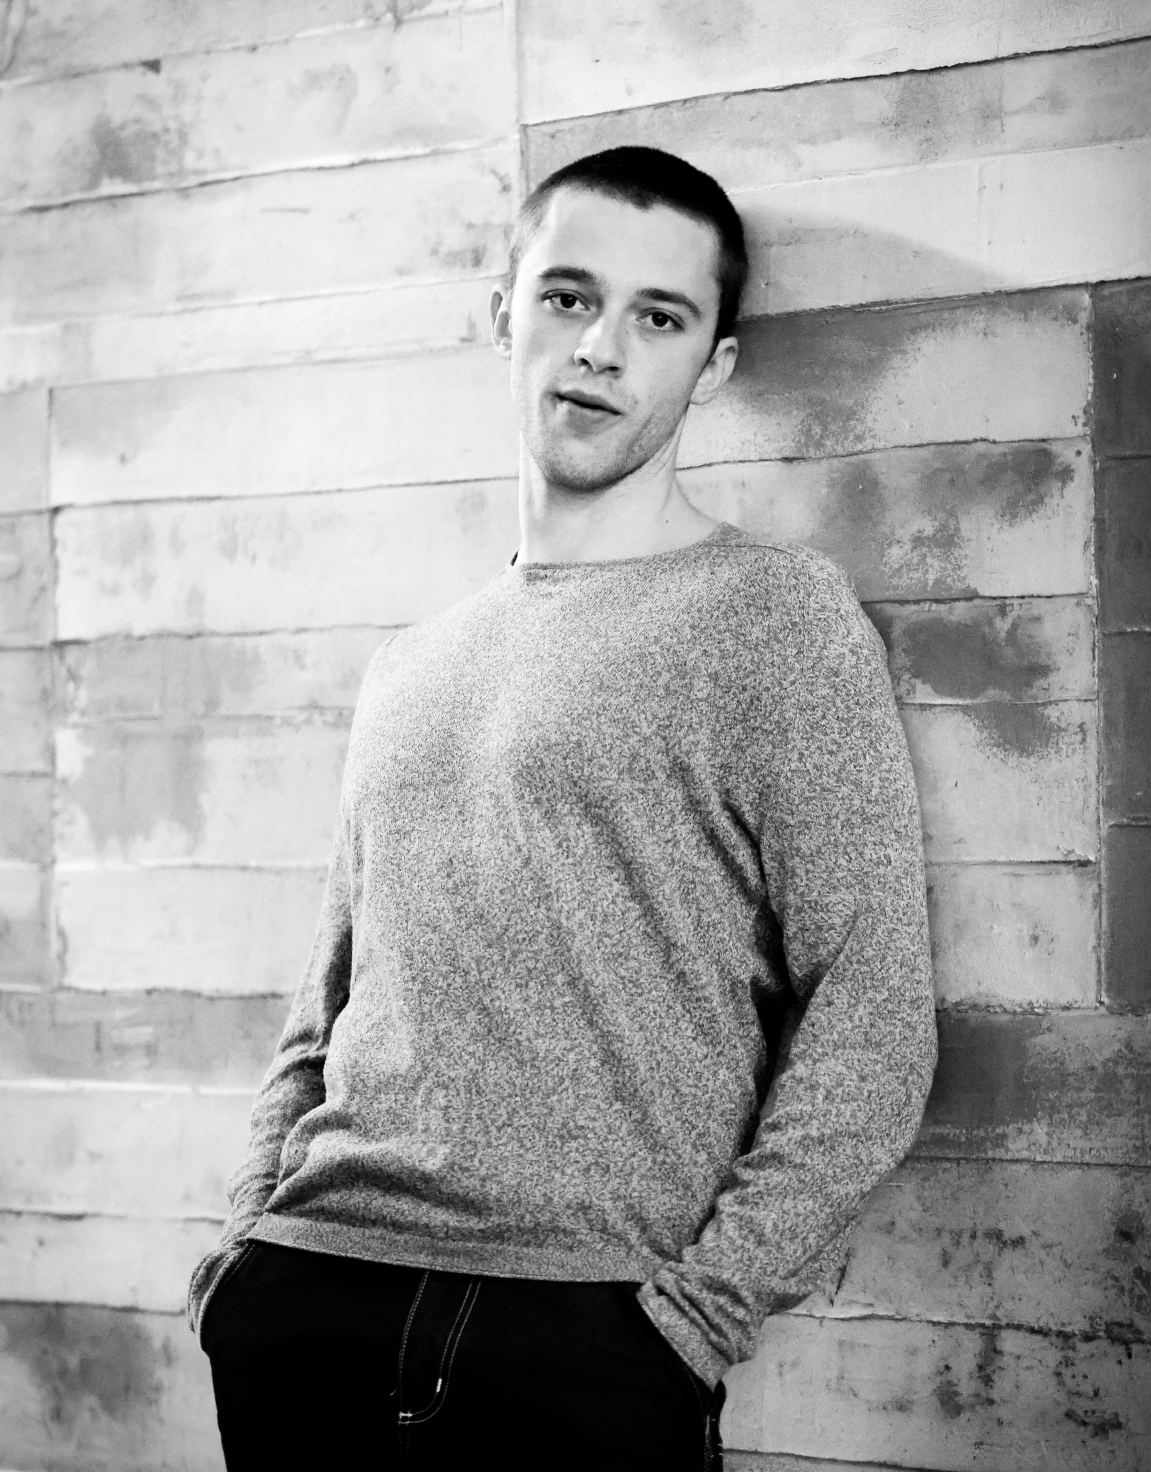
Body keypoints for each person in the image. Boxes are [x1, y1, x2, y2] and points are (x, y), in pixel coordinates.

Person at [188, 146, 937, 1471]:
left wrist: (691, 1319)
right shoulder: (408, 662)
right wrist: (248, 1251)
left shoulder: (772, 619)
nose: (601, 346)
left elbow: (870, 1010)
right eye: (567, 297)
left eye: (658, 317)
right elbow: (328, 999)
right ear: (502, 313)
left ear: (709, 366)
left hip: (586, 1342)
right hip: (307, 1300)